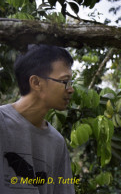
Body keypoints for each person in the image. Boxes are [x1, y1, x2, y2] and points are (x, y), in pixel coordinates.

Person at [0, 45, 76, 194]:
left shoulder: (57, 142)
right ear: (36, 83)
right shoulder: (2, 123)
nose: (71, 89)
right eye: (64, 81)